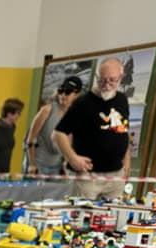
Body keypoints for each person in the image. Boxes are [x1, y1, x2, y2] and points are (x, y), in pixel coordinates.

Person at [53, 57, 130, 200]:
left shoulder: (122, 100)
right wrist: (72, 158)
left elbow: (123, 131)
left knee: (114, 212)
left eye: (112, 80)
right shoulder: (82, 103)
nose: (106, 85)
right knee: (81, 212)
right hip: (88, 176)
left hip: (115, 175)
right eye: (102, 80)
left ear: (121, 78)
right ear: (97, 77)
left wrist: (126, 162)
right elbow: (58, 134)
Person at [25, 75, 83, 176]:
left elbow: (67, 144)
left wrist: (65, 164)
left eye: (68, 92)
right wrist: (32, 164)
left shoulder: (73, 116)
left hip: (56, 167)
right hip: (38, 165)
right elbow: (29, 140)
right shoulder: (47, 110)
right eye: (61, 90)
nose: (63, 95)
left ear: (76, 95)